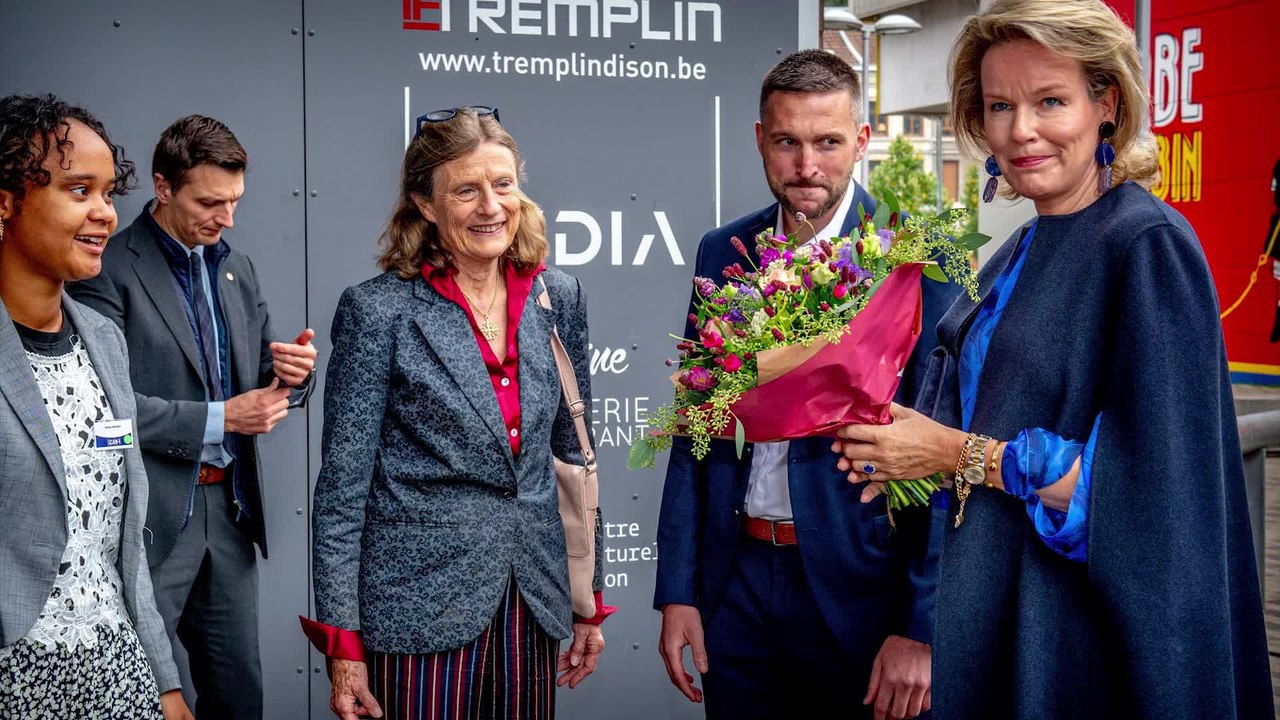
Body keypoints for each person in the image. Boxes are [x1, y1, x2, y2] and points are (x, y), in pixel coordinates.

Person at [831, 1, 1275, 717]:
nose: (1020, 131)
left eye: (1051, 101)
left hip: (1085, 655)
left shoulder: (1147, 246)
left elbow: (1150, 504)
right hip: (1003, 624)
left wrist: (951, 453)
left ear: (1108, 104)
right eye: (1000, 105)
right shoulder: (1022, 247)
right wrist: (897, 451)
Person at [654, 50, 959, 720]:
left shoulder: (916, 257)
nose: (806, 166)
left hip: (864, 591)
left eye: (827, 142)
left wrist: (922, 626)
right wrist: (679, 588)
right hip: (735, 583)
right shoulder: (721, 252)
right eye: (787, 142)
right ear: (760, 139)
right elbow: (696, 423)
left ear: (862, 140)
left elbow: (945, 459)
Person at [303, 106, 610, 720]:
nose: (491, 207)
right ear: (425, 204)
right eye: (466, 191)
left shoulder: (557, 297)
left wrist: (588, 600)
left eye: (503, 184)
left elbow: (575, 456)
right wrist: (343, 645)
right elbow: (341, 495)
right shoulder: (378, 312)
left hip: (531, 600)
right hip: (417, 610)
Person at [69, 114, 317, 718]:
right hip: (148, 516)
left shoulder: (237, 267)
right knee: (145, 697)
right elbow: (101, 412)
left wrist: (294, 374)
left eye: (234, 201)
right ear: (162, 186)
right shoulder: (108, 267)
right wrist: (223, 419)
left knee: (240, 698)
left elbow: (262, 377)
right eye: (209, 202)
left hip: (229, 514)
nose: (226, 218)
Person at [0, 94, 193, 719]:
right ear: (5, 203)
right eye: (79, 190)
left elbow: (122, 543)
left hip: (118, 674)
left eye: (109, 193)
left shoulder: (104, 339)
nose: (105, 213)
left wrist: (164, 683)